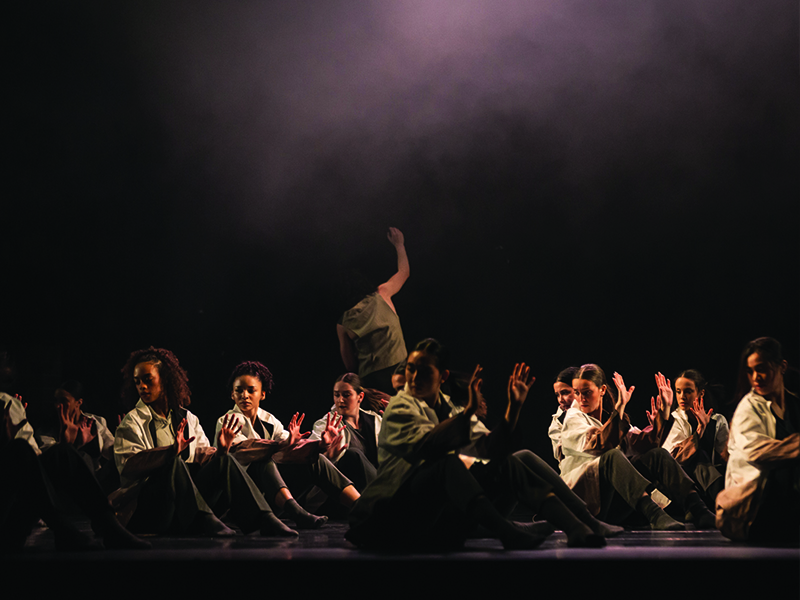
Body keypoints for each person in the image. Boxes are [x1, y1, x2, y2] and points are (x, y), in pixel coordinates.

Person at [346, 338, 621, 551]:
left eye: (424, 371)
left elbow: (492, 449)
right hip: (391, 520)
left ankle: (575, 526)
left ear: (442, 376)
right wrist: (467, 414)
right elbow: (430, 447)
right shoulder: (399, 407)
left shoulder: (451, 408)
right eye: (411, 370)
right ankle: (506, 531)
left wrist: (513, 409)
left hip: (437, 521)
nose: (414, 378)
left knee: (513, 459)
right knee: (446, 464)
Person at [113, 347, 296, 537]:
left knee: (225, 460)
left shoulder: (187, 418)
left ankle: (262, 519)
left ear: (165, 380)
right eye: (137, 382)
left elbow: (203, 456)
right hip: (153, 511)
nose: (141, 386)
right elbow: (128, 467)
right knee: (174, 463)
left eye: (147, 380)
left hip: (183, 509)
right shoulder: (133, 421)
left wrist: (221, 451)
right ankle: (202, 520)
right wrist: (169, 452)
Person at [560, 364, 717, 530]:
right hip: (591, 504)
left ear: (602, 390)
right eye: (577, 392)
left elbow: (641, 444)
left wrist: (665, 410)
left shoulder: (608, 416)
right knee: (612, 456)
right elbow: (600, 444)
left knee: (658, 455)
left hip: (618, 498)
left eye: (586, 392)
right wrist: (620, 408)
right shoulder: (573, 417)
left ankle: (699, 509)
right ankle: (654, 514)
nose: (581, 398)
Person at [214, 361, 360, 525]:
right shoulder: (227, 421)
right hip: (244, 498)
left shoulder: (269, 420)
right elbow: (244, 451)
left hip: (269, 494)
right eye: (238, 391)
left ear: (262, 394)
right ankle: (297, 513)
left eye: (250, 390)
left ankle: (362, 507)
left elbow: (292, 448)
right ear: (232, 395)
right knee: (264, 462)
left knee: (316, 460)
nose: (244, 395)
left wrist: (320, 445)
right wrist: (282, 445)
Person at [717, 337, 799, 543]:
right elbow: (759, 453)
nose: (755, 377)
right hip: (754, 511)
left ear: (782, 367)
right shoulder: (749, 408)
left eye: (761, 369)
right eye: (750, 371)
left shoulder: (795, 406)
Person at [337, 227, 409, 392]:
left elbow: (350, 365)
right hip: (400, 371)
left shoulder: (342, 324)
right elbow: (404, 272)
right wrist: (399, 245)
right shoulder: (381, 294)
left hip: (373, 382)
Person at [661, 370, 729, 508]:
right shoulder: (674, 420)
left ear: (700, 393)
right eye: (678, 391)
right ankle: (726, 505)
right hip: (681, 484)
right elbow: (675, 460)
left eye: (688, 391)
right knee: (699, 457)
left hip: (706, 487)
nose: (682, 396)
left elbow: (726, 458)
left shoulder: (718, 420)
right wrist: (699, 431)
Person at [311, 373, 383, 492]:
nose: (340, 400)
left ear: (360, 397)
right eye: (336, 395)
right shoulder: (328, 424)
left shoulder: (375, 421)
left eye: (346, 395)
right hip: (342, 491)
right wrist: (323, 450)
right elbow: (310, 458)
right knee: (353, 455)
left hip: (374, 482)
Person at [549, 367, 579, 466]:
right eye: (557, 395)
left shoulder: (598, 410)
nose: (560, 400)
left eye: (565, 393)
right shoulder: (558, 420)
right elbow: (564, 455)